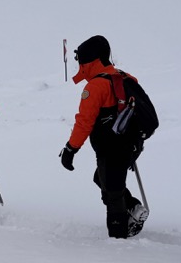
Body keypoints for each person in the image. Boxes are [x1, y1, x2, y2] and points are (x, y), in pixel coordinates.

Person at [58, 36, 155, 238]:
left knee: (112, 192)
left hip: (111, 148)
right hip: (132, 144)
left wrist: (70, 149)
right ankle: (133, 208)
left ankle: (118, 241)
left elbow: (84, 122)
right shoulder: (126, 77)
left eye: (80, 61)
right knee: (103, 179)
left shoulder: (96, 86)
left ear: (89, 61)